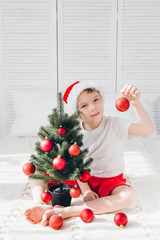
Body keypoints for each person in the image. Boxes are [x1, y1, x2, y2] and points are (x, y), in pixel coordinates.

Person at [24, 81, 154, 226]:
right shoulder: (75, 131)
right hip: (79, 178)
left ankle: (70, 211)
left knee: (129, 196)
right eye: (84, 106)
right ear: (78, 113)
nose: (93, 107)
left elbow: (147, 130)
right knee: (37, 166)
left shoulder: (114, 124)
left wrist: (135, 103)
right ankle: (39, 202)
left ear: (102, 99)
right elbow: (74, 163)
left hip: (108, 180)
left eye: (96, 100)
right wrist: (85, 190)